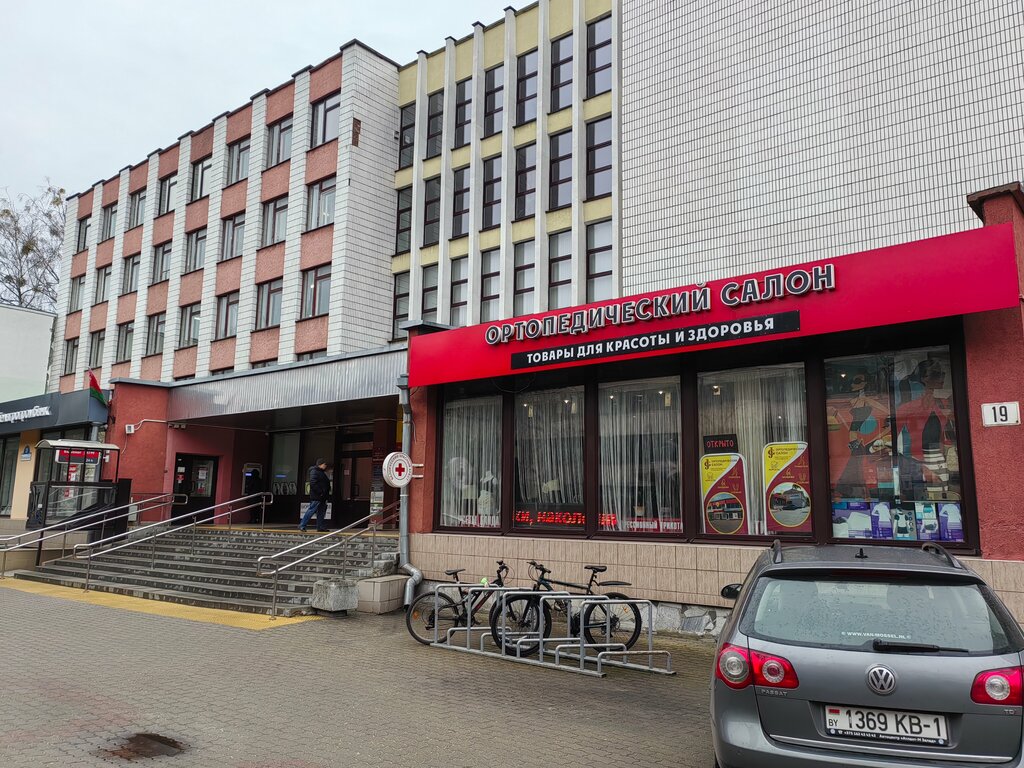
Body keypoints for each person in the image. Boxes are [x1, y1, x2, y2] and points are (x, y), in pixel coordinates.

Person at [300, 458, 331, 532]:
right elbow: (313, 483)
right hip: (317, 496)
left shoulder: (321, 472)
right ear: (320, 464)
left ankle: (320, 527)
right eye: (324, 464)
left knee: (321, 512)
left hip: (323, 496)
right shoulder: (315, 471)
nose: (325, 466)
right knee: (311, 510)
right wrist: (320, 492)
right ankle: (302, 525)